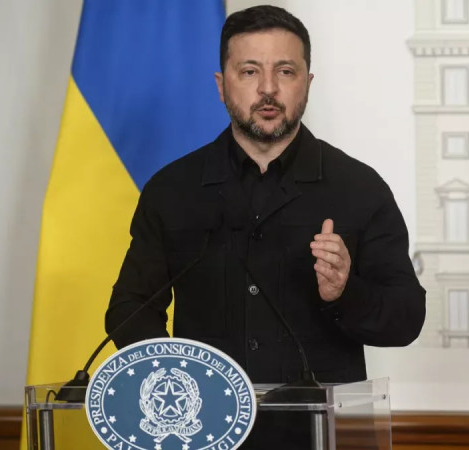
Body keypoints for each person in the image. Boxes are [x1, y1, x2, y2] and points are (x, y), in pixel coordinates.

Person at [105, 5, 425, 447]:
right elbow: (129, 309)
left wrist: (345, 292)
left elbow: (406, 319)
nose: (268, 89)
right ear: (222, 85)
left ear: (308, 83)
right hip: (203, 435)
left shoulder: (359, 188)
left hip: (319, 438)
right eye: (250, 71)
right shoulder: (173, 190)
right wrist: (177, 382)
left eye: (285, 71)